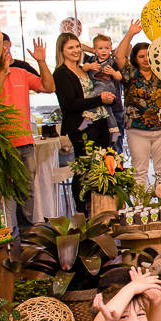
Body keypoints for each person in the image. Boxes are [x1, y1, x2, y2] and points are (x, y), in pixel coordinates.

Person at [0, 24, 55, 232]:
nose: (4, 51)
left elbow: (49, 87)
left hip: (24, 143)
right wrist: (3, 72)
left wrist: (42, 62)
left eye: (5, 47)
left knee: (26, 192)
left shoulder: (21, 73)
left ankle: (27, 234)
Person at [55, 32, 116, 210]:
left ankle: (101, 209)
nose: (75, 50)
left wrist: (108, 98)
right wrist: (100, 100)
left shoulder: (83, 69)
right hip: (81, 128)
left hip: (100, 123)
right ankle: (82, 212)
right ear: (62, 50)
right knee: (84, 170)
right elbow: (70, 103)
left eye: (77, 46)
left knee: (102, 168)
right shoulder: (61, 73)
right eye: (70, 47)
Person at [116, 21, 161, 199]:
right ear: (135, 58)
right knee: (140, 171)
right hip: (137, 130)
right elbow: (118, 58)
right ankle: (140, 207)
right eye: (141, 56)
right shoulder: (130, 73)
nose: (146, 59)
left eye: (149, 55)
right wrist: (130, 33)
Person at [86, 34, 124, 152]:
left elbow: (120, 77)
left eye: (106, 48)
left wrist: (113, 72)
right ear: (95, 50)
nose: (104, 51)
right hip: (99, 102)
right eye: (100, 48)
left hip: (112, 97)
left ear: (111, 48)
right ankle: (114, 132)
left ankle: (118, 166)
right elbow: (83, 67)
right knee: (102, 141)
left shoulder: (113, 62)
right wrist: (89, 64)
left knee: (89, 100)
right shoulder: (91, 60)